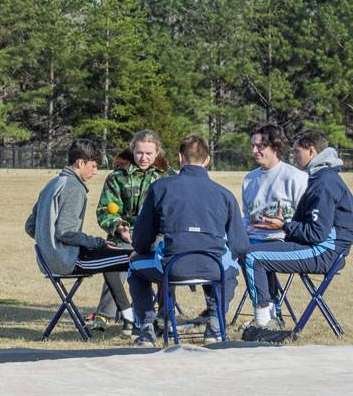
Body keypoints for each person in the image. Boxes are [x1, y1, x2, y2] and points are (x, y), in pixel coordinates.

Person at [127, 135, 250, 346]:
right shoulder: (225, 194)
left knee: (135, 267)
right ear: (208, 160)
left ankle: (146, 329)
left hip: (171, 268)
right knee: (229, 266)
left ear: (180, 158)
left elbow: (141, 238)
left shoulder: (160, 188)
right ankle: (215, 325)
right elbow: (240, 245)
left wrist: (141, 249)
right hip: (213, 268)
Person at [241, 129, 353, 340]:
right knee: (252, 252)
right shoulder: (321, 177)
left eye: (297, 151)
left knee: (251, 257)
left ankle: (263, 324)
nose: (293, 156)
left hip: (323, 253)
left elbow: (317, 233)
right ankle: (272, 318)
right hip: (318, 248)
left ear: (312, 151)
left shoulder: (324, 182)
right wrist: (285, 226)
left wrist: (284, 226)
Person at [25, 138, 136, 335]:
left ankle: (128, 317)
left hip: (48, 259)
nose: (95, 171)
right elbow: (65, 233)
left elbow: (30, 227)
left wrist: (48, 243)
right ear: (80, 163)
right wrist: (96, 242)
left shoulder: (53, 183)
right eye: (93, 166)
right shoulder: (74, 187)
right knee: (134, 257)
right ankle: (140, 319)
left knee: (112, 253)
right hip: (67, 260)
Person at [87, 130, 171, 332]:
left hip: (157, 234)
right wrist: (119, 226)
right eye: (139, 152)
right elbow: (105, 211)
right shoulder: (116, 177)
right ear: (133, 150)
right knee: (113, 258)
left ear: (157, 152)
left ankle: (163, 316)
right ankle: (106, 314)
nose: (144, 158)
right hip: (125, 234)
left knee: (164, 259)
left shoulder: (168, 177)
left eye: (149, 153)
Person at [243, 123, 309, 242]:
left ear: (275, 146)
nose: (254, 151)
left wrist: (284, 226)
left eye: (260, 146)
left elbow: (304, 220)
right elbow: (247, 218)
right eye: (253, 145)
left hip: (282, 240)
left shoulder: (296, 177)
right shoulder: (249, 178)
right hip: (251, 239)